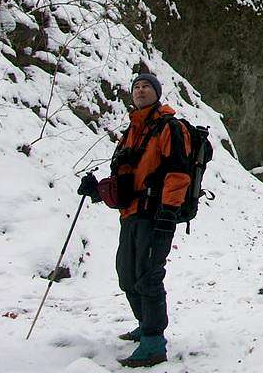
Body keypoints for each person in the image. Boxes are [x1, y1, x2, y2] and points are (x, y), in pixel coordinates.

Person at [78, 73, 191, 368]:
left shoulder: (170, 127)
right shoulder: (132, 130)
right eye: (137, 87)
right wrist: (98, 190)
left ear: (156, 93)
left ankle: (154, 341)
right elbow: (126, 178)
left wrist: (168, 212)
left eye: (146, 87)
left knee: (148, 274)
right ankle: (145, 322)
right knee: (127, 274)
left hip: (155, 215)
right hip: (131, 214)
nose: (140, 91)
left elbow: (178, 173)